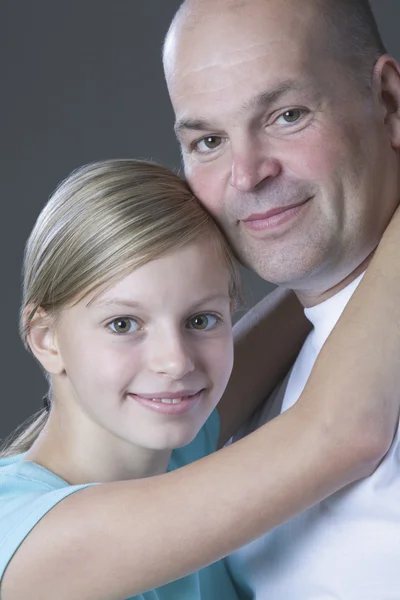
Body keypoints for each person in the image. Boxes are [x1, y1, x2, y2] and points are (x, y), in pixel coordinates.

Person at [1, 159, 400, 600]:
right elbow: (338, 434)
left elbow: (324, 283)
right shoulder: (26, 537)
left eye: (201, 319)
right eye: (123, 324)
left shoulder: (167, 452)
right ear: (46, 339)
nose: (175, 362)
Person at [163, 0, 400, 597]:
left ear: (390, 103)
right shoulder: (226, 388)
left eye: (287, 115)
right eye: (209, 140)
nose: (247, 174)